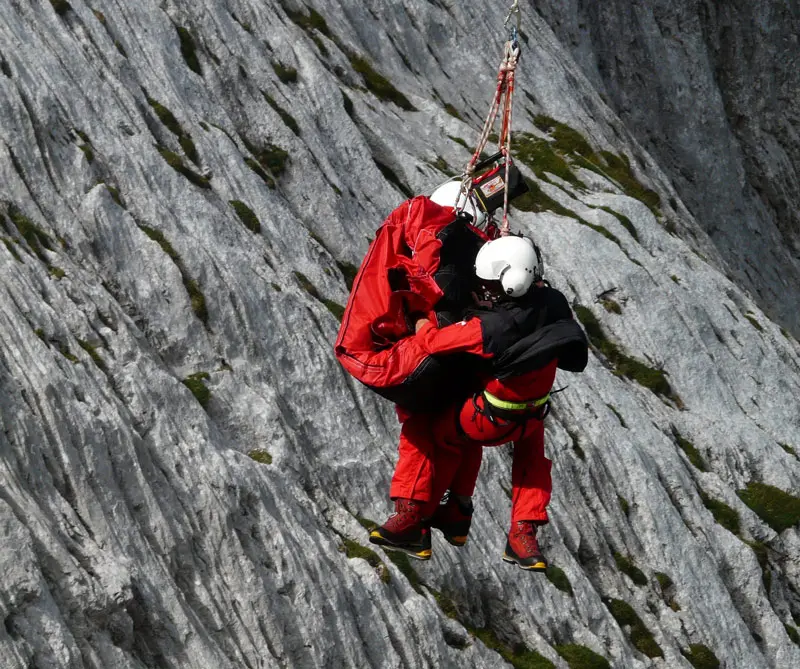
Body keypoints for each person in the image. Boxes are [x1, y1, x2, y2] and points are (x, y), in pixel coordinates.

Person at [369, 235, 588, 570]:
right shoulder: (553, 302)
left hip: (487, 420)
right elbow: (520, 304)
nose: (485, 290)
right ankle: (521, 533)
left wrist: (420, 315)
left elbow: (433, 342)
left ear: (508, 284)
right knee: (530, 462)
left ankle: (413, 519)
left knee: (427, 428)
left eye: (490, 286)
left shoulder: (491, 328)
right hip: (531, 416)